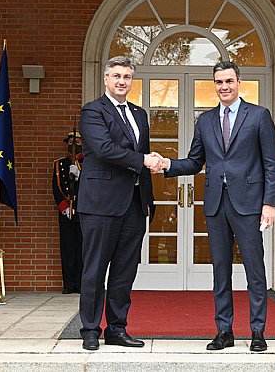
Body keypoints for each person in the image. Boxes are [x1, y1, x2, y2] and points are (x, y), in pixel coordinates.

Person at [155, 61, 275, 352]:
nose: (224, 87)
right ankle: (224, 331)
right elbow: (195, 161)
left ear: (239, 83)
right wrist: (167, 165)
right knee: (220, 270)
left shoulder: (259, 116)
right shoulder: (206, 120)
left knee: (254, 270)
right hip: (215, 205)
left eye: (229, 81)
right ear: (214, 86)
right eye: (219, 82)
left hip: (249, 205)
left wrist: (269, 203)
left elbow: (271, 164)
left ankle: (258, 331)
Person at [76, 56, 160, 351]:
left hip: (134, 205)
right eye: (116, 76)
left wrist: (148, 198)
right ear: (106, 79)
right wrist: (143, 160)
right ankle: (89, 328)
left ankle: (116, 328)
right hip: (101, 203)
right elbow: (104, 149)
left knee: (125, 271)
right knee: (95, 269)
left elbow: (142, 155)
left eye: (126, 76)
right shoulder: (92, 111)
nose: (122, 81)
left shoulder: (139, 114)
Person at [52, 130, 83, 294]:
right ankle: (69, 284)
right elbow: (56, 187)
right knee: (68, 249)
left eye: (77, 143)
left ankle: (81, 284)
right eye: (71, 143)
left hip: (84, 211)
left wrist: (80, 175)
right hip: (67, 212)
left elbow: (93, 188)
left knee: (83, 249)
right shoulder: (59, 164)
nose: (74, 146)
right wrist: (65, 207)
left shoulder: (89, 164)